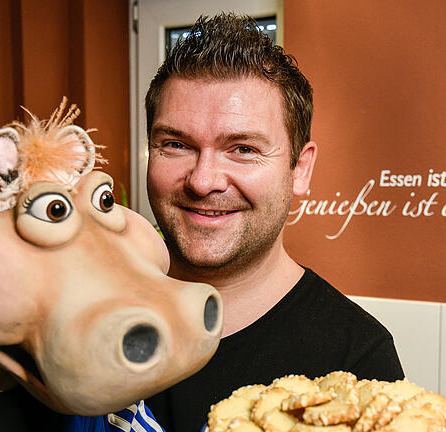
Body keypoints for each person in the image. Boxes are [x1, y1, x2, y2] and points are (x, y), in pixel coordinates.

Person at [143, 13, 404, 432]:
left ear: (300, 169)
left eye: (243, 149)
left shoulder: (355, 361)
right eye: (175, 144)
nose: (203, 180)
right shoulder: (87, 311)